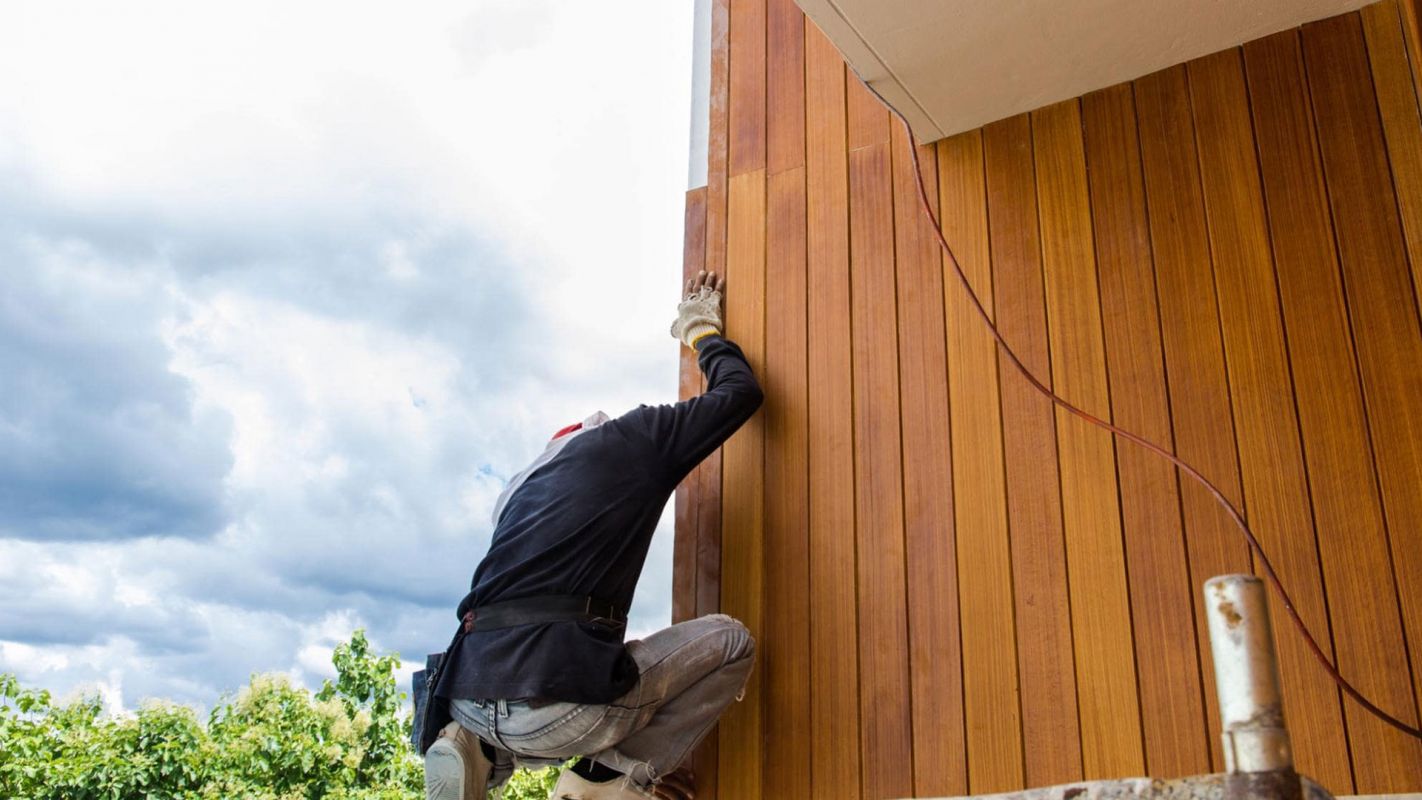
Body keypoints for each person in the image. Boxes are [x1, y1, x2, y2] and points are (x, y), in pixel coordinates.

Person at [421, 269, 762, 800]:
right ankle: (607, 780)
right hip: (558, 709)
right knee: (731, 641)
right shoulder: (634, 437)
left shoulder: (516, 493)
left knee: (529, 676)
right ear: (597, 426)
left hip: (464, 690)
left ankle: (471, 748)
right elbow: (740, 393)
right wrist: (701, 329)